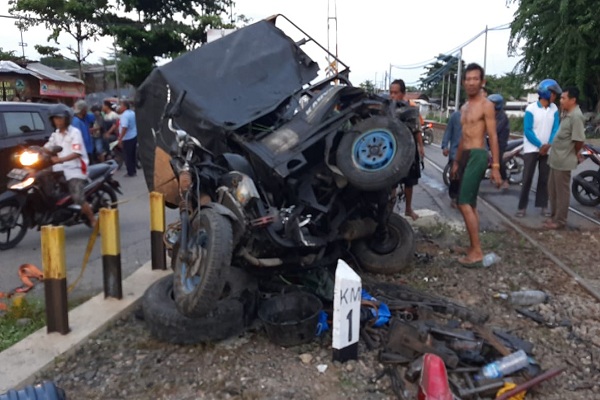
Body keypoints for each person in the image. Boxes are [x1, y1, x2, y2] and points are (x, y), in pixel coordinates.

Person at [451, 63, 502, 267]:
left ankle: (477, 252)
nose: (471, 82)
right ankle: (472, 247)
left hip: (479, 155)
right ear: (464, 82)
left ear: (482, 82)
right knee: (469, 203)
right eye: (468, 79)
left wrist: (496, 167)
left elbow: (493, 136)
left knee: (463, 202)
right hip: (465, 155)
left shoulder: (486, 104)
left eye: (475, 79)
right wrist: (456, 161)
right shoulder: (464, 107)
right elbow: (464, 136)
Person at [44, 104, 96, 227]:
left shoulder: (74, 132)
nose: (58, 121)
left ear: (67, 119)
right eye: (55, 118)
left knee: (77, 197)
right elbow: (48, 147)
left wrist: (60, 159)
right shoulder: (55, 134)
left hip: (76, 169)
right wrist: (36, 150)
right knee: (41, 178)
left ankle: (92, 219)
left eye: (60, 118)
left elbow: (77, 153)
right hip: (59, 168)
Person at [516, 79, 561, 218]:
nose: (555, 96)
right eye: (553, 93)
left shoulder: (554, 109)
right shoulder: (531, 109)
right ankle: (521, 207)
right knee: (527, 178)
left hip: (547, 149)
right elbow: (528, 130)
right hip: (532, 149)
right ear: (545, 93)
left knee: (544, 178)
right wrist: (540, 145)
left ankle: (543, 205)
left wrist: (548, 144)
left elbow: (555, 129)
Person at [544, 87, 586, 230]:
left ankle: (560, 221)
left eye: (563, 98)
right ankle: (554, 216)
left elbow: (579, 140)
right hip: (555, 159)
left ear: (573, 100)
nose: (560, 100)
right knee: (552, 190)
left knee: (562, 193)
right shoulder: (566, 114)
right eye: (561, 98)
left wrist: (573, 153)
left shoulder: (576, 116)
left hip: (564, 160)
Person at [389, 79, 424, 220]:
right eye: (391, 92)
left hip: (409, 148)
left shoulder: (411, 110)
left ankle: (408, 209)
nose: (392, 95)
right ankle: (389, 210)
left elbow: (417, 130)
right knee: (391, 182)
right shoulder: (387, 109)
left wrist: (420, 148)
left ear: (403, 94)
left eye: (395, 93)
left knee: (410, 181)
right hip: (393, 149)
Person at [487, 94, 510, 189]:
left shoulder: (502, 117)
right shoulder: (491, 114)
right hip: (491, 140)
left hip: (500, 142)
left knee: (499, 159)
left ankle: (505, 180)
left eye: (492, 104)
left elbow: (495, 130)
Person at [441, 104, 463, 205]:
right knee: (455, 176)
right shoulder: (455, 116)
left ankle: (463, 198)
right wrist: (445, 146)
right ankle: (454, 197)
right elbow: (448, 131)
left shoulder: (477, 117)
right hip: (455, 151)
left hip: (470, 153)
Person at [117, 99, 138, 177]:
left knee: (128, 155)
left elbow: (124, 127)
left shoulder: (124, 115)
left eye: (121, 106)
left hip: (127, 137)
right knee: (132, 154)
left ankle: (130, 172)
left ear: (125, 107)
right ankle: (133, 170)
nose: (120, 107)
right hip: (134, 135)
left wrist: (120, 138)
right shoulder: (132, 113)